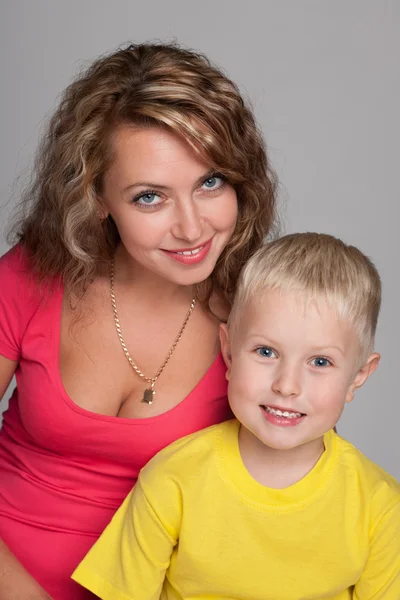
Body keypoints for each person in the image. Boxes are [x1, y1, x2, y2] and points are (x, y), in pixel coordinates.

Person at [0, 42, 278, 599]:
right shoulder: (28, 276)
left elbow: (299, 498)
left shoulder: (265, 310)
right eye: (150, 197)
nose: (191, 228)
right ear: (97, 197)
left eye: (211, 182)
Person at [73, 232, 400, 600]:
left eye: (320, 362)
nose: (287, 385)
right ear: (229, 353)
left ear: (358, 375)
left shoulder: (381, 507)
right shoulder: (171, 481)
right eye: (265, 351)